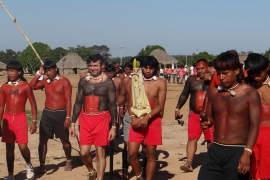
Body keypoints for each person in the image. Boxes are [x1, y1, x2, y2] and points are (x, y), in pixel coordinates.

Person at [198, 50, 261, 180]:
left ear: (237, 70)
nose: (221, 78)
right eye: (218, 73)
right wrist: (206, 122)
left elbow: (255, 126)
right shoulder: (214, 92)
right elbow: (210, 118)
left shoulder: (250, 94)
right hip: (215, 149)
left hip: (238, 150)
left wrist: (247, 153)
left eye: (225, 73)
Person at [70, 54, 117, 180]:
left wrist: (113, 126)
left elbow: (113, 105)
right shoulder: (83, 81)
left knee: (100, 151)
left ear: (102, 66)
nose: (92, 68)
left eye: (95, 65)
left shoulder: (108, 82)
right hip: (85, 119)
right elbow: (78, 103)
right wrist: (73, 123)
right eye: (90, 65)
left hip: (102, 118)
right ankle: (91, 170)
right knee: (84, 152)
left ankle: (100, 178)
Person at [29, 60, 72, 174]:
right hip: (47, 113)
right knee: (42, 140)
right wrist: (39, 73)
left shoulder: (64, 82)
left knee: (64, 140)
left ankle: (68, 160)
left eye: (50, 70)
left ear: (56, 69)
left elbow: (68, 101)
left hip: (61, 113)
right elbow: (31, 86)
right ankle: (42, 165)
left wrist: (68, 117)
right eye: (46, 71)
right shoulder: (45, 82)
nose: (48, 73)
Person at [128, 56, 167, 180]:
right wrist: (133, 117)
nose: (148, 70)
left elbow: (161, 105)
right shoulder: (135, 80)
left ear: (155, 68)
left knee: (151, 154)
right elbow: (130, 103)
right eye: (145, 67)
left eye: (151, 68)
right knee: (132, 153)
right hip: (136, 120)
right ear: (141, 67)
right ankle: (139, 176)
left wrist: (148, 117)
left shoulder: (160, 83)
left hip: (153, 121)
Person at [0, 61, 37, 180]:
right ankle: (11, 174)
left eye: (12, 70)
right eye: (8, 70)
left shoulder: (26, 86)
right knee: (9, 148)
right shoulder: (4, 87)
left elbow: (33, 104)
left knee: (22, 146)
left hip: (20, 117)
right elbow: (1, 106)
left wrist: (34, 121)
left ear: (19, 72)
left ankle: (28, 165)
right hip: (7, 118)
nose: (10, 73)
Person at [175, 59, 213, 172]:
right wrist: (177, 108)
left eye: (202, 68)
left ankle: (211, 163)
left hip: (211, 115)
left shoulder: (215, 80)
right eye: (198, 68)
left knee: (210, 140)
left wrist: (212, 80)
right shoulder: (191, 80)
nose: (200, 71)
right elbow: (184, 95)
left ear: (208, 68)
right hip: (194, 115)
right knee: (192, 138)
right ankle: (189, 163)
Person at [244, 53, 270, 180]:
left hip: (268, 134)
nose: (257, 77)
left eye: (259, 73)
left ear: (268, 67)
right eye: (253, 74)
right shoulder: (245, 86)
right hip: (249, 134)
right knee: (251, 173)